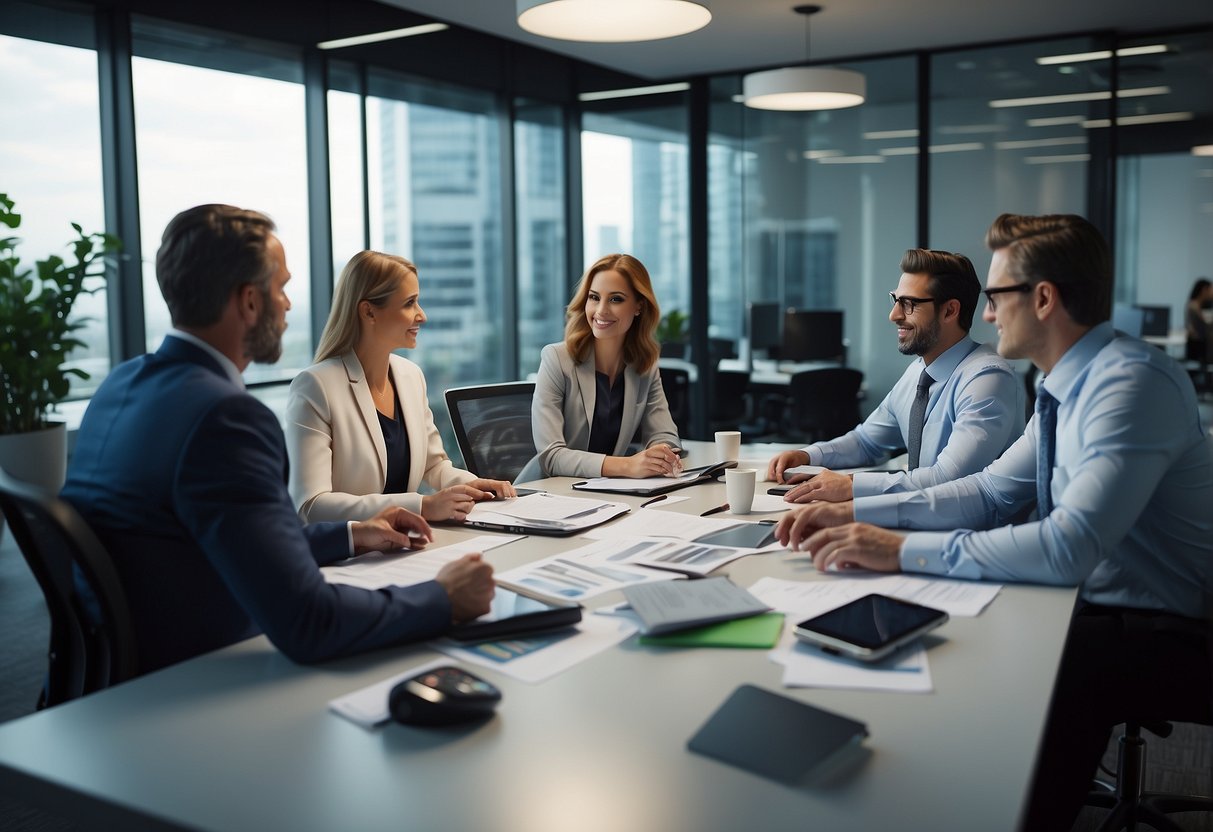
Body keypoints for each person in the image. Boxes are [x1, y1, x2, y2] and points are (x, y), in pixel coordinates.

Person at [775, 213, 1213, 831]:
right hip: (1108, 597)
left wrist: (899, 550)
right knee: (971, 626)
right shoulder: (1065, 385)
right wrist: (864, 521)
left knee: (1057, 668)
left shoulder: (1129, 385)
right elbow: (985, 492)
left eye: (998, 296)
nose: (985, 315)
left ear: (1043, 299)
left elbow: (1067, 548)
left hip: (1181, 621)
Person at [60, 205, 495, 675]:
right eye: (282, 288)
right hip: (197, 679)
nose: (288, 304)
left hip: (123, 675)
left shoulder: (120, 385)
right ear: (249, 301)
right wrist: (440, 597)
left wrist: (351, 535)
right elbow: (310, 621)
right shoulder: (224, 418)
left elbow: (225, 543)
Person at [766, 248, 1023, 504]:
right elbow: (866, 442)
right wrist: (807, 456)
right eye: (896, 300)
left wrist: (852, 485)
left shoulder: (987, 379)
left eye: (909, 304)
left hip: (969, 535)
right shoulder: (919, 371)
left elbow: (948, 478)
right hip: (919, 520)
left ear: (949, 311)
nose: (894, 315)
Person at [286, 251, 514, 524]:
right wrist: (421, 506)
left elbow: (434, 465)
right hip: (350, 554)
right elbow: (311, 505)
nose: (422, 316)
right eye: (410, 303)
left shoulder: (410, 376)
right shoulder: (316, 387)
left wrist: (473, 485)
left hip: (404, 544)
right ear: (368, 311)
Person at [531, 253, 683, 478]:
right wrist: (627, 466)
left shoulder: (644, 366)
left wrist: (663, 456)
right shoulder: (556, 360)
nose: (601, 310)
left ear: (639, 306)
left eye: (616, 299)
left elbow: (665, 435)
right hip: (551, 494)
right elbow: (551, 456)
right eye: (594, 297)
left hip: (609, 494)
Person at [1185, 276, 1213, 369]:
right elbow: (1205, 328)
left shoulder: (1201, 305)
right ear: (1204, 290)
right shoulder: (1193, 306)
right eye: (1211, 289)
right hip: (1200, 348)